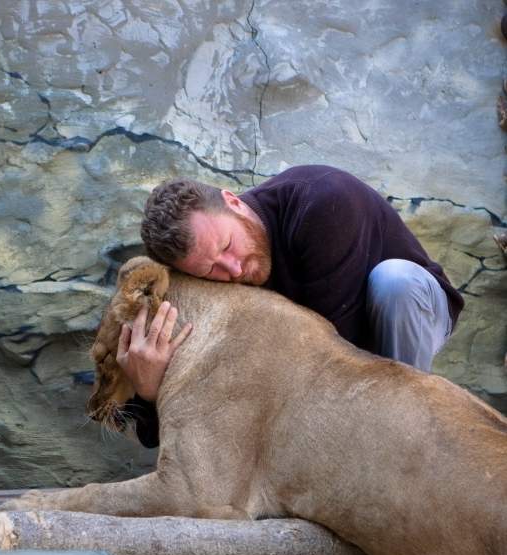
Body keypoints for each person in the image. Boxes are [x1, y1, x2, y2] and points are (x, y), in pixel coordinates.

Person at [116, 165, 464, 447]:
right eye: (212, 271)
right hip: (317, 356)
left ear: (233, 202)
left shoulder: (322, 203)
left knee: (394, 282)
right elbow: (153, 439)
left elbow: (335, 362)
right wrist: (150, 387)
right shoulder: (207, 275)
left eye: (227, 246)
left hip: (407, 315)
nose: (234, 270)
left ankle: (406, 434)